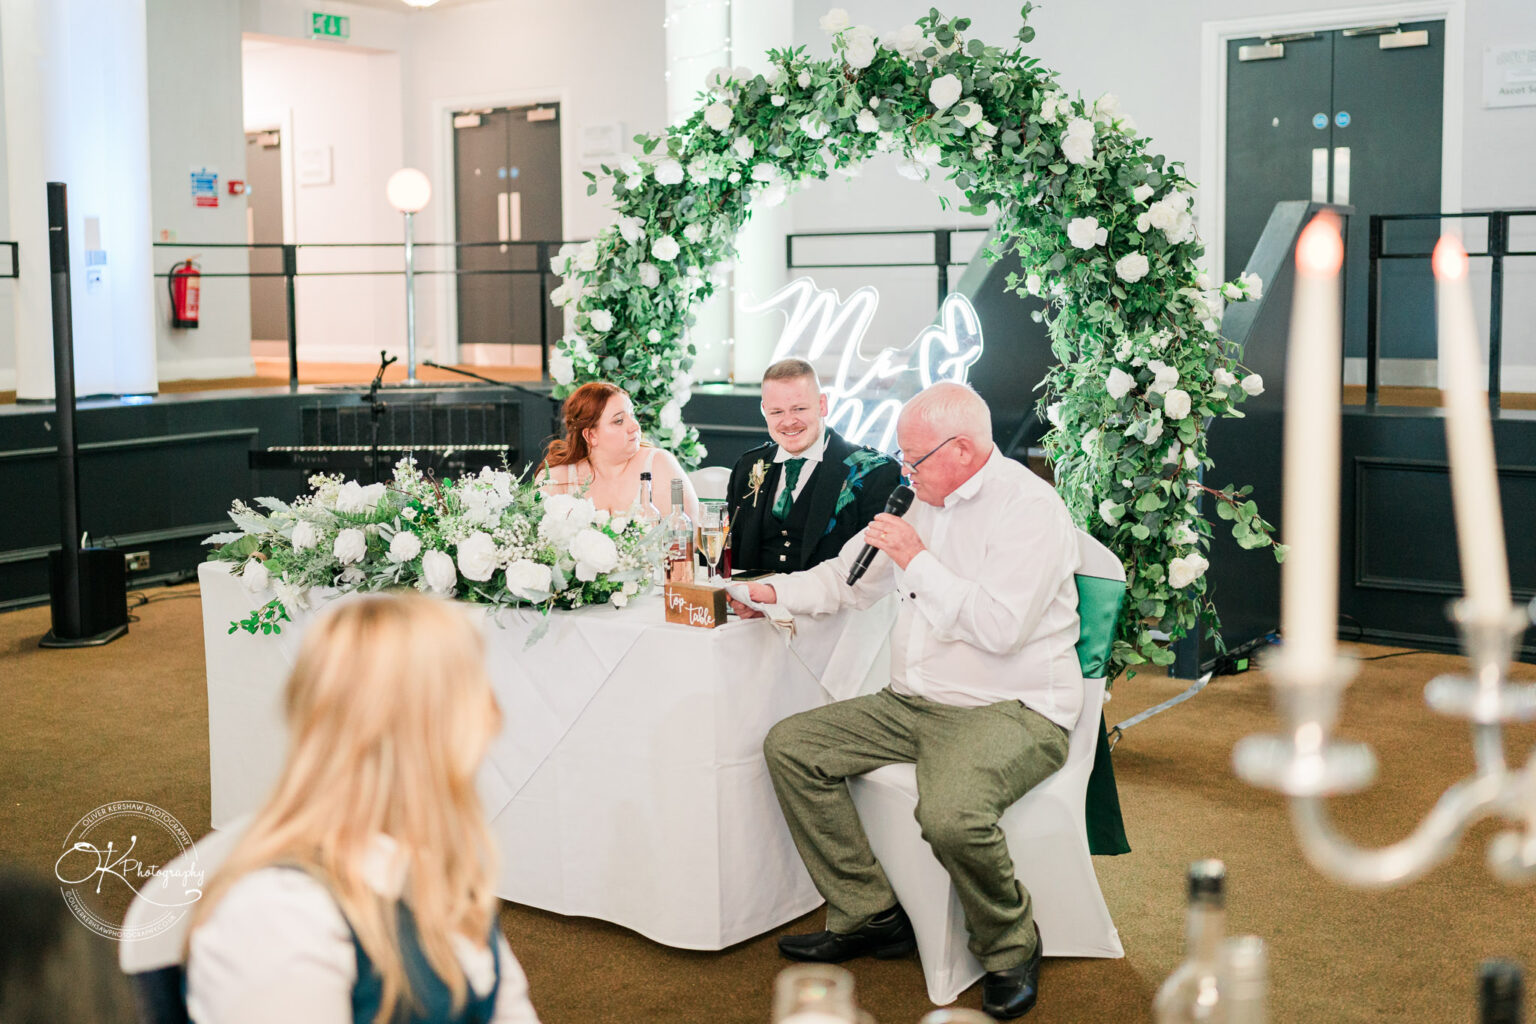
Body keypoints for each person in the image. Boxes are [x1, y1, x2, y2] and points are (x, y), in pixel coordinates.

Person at [731, 383, 1082, 1021]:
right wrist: (766, 593)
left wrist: (917, 559)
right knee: (792, 747)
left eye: (914, 457)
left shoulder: (1029, 509)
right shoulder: (918, 497)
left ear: (966, 451)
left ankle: (1010, 946)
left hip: (1009, 707)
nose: (903, 470)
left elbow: (999, 628)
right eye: (900, 454)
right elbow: (847, 580)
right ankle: (869, 912)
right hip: (910, 702)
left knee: (949, 815)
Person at [185, 592, 540, 1024]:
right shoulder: (280, 917)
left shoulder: (434, 867)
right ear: (420, 731)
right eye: (475, 695)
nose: (494, 719)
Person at [727, 359, 900, 573]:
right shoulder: (748, 466)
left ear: (822, 405)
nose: (789, 421)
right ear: (764, 410)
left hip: (830, 604)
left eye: (799, 409)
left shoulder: (875, 472)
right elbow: (731, 549)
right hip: (750, 601)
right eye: (777, 412)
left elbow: (876, 568)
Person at [538, 381, 699, 519]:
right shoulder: (558, 478)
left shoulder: (659, 465)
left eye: (632, 414)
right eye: (619, 421)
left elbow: (685, 538)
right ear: (591, 435)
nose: (635, 426)